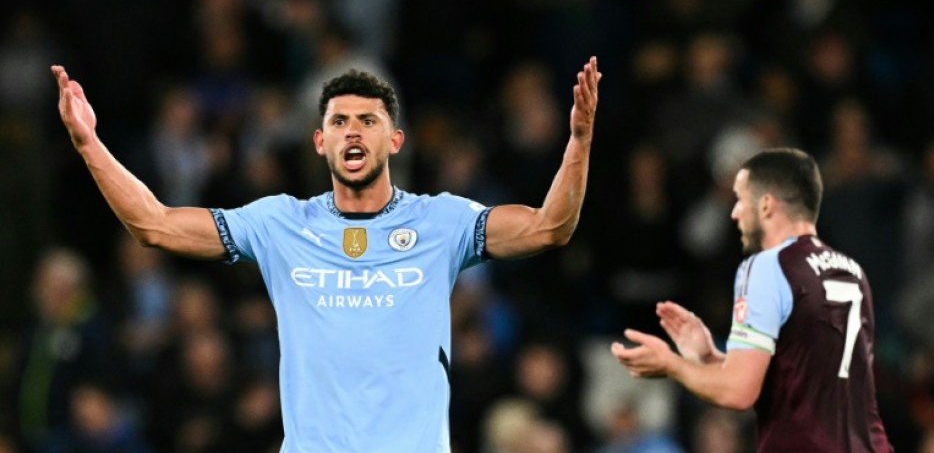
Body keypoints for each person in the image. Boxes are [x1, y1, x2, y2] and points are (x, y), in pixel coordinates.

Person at [51, 56, 601, 452]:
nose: (352, 131)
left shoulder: (442, 222)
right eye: (339, 121)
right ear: (320, 142)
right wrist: (89, 145)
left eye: (368, 120)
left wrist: (577, 141)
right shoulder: (279, 224)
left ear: (395, 141)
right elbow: (155, 225)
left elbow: (549, 228)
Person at [610, 148, 894, 452]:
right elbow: (803, 382)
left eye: (741, 199)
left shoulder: (766, 267)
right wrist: (711, 359)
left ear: (767, 205)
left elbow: (738, 392)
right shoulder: (850, 271)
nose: (734, 212)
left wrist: (671, 364)